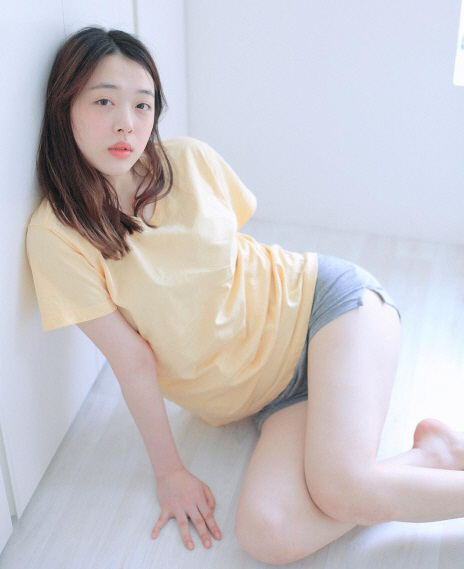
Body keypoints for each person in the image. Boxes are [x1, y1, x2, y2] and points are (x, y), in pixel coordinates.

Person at [26, 26, 464, 565]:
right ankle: (434, 456)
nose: (126, 123)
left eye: (143, 105)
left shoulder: (188, 161)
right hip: (270, 398)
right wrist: (170, 472)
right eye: (103, 102)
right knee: (266, 535)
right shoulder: (57, 236)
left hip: (324, 313)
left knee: (343, 488)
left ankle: (413, 464)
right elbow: (133, 361)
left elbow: (236, 257)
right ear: (63, 105)